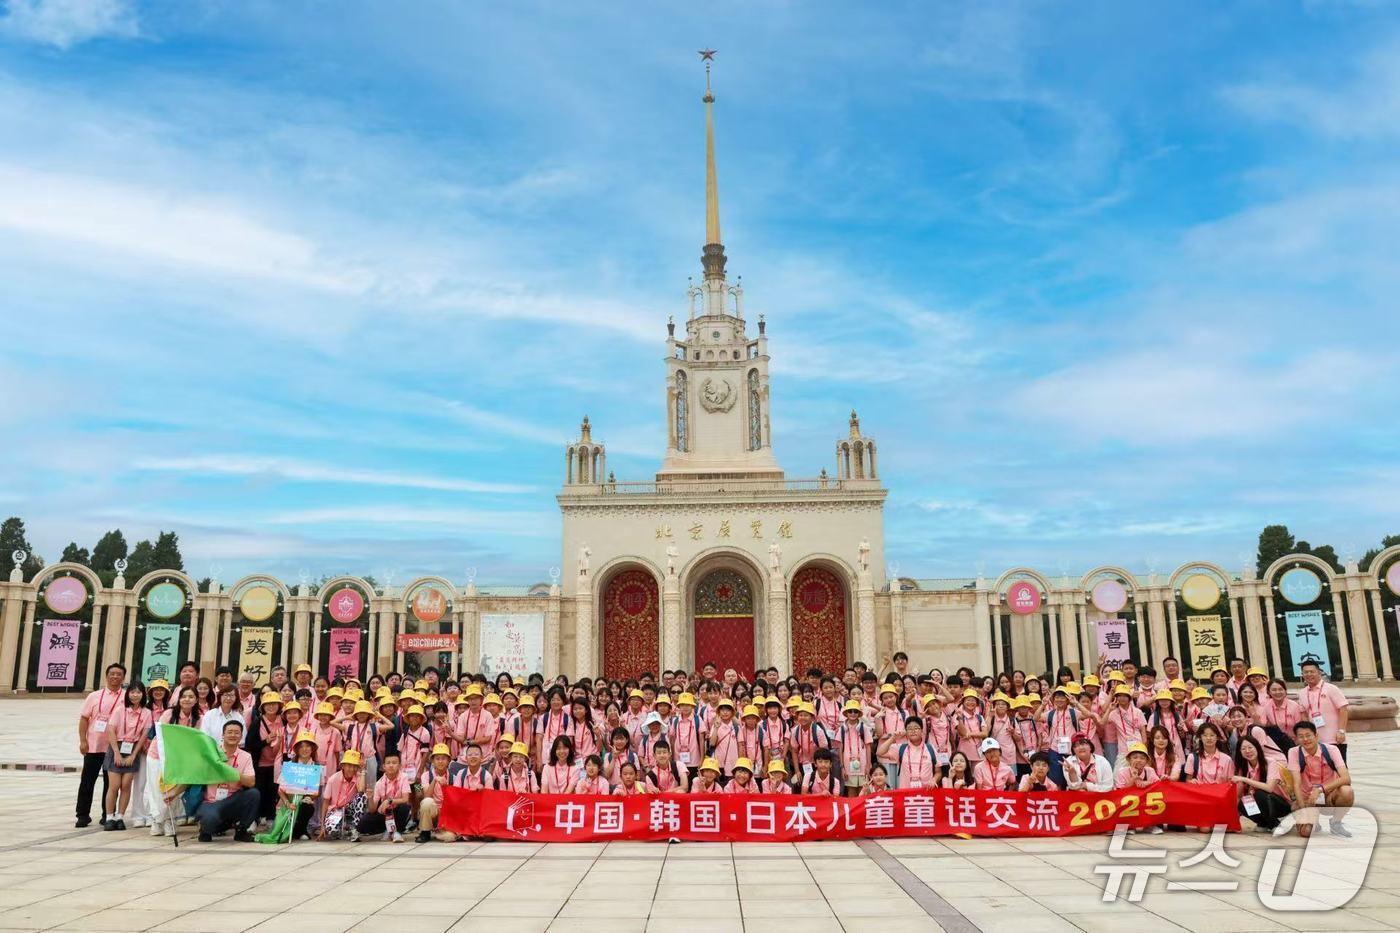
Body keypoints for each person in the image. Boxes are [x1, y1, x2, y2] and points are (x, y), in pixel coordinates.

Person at [76, 662, 125, 828]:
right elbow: (84, 719)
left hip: (114, 748)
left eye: (119, 674)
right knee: (87, 781)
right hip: (94, 745)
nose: (115, 677)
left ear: (123, 678)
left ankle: (107, 814)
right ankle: (82, 815)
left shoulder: (126, 697)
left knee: (111, 784)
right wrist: (83, 740)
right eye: (112, 673)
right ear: (106, 676)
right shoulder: (94, 696)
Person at [1285, 719, 1354, 838]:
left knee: (1347, 791)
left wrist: (1320, 789)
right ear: (1296, 739)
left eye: (1308, 735)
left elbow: (1346, 778)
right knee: (1305, 833)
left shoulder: (1331, 750)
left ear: (1316, 736)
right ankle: (1314, 822)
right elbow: (1297, 783)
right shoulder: (1293, 752)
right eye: (1301, 736)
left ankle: (1336, 822)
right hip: (1308, 799)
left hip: (1329, 796)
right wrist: (1303, 810)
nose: (1305, 739)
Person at [198, 719, 259, 842]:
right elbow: (194, 776)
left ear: (241, 736)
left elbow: (251, 782)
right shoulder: (212, 754)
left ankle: (241, 831)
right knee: (210, 820)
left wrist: (232, 773)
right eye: (229, 732)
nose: (233, 735)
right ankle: (206, 829)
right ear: (223, 734)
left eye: (237, 733)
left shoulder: (245, 756)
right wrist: (173, 793)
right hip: (211, 802)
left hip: (232, 800)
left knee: (253, 794)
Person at [102, 680, 151, 831]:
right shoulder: (119, 710)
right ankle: (109, 816)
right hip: (116, 746)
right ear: (128, 694)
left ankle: (120, 817)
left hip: (133, 750)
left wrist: (133, 755)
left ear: (143, 694)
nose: (135, 695)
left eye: (138, 692)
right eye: (132, 692)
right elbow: (110, 731)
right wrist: (116, 753)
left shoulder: (146, 713)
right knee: (114, 786)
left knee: (126, 786)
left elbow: (143, 736)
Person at [1232, 734, 1290, 832]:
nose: (1247, 751)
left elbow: (1269, 788)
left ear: (1257, 748)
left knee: (1260, 794)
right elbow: (1239, 794)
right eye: (1243, 749)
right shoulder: (1242, 767)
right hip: (1260, 803)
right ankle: (1263, 823)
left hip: (1280, 804)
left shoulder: (1270, 762)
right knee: (1242, 803)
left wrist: (1245, 779)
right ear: (1239, 752)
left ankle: (1275, 824)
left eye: (1250, 747)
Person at [1298, 660, 1349, 760]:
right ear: (1302, 674)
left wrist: (1341, 731)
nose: (1309, 674)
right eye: (1306, 672)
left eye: (1312, 671)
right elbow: (1303, 714)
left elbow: (1343, 709)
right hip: (1314, 742)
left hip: (1334, 739)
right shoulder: (1302, 693)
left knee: (1339, 771)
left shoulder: (1331, 688)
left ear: (1319, 672)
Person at [278, 731, 321, 840]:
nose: (305, 749)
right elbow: (280, 790)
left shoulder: (315, 767)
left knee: (308, 808)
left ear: (312, 749)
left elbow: (316, 792)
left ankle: (301, 830)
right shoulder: (290, 766)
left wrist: (309, 798)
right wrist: (288, 803)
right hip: (289, 802)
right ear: (297, 749)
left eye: (308, 746)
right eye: (301, 747)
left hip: (304, 802)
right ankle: (293, 829)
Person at [361, 751, 411, 842]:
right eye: (388, 763)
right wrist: (370, 798)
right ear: (383, 767)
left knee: (405, 807)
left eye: (394, 763)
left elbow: (405, 799)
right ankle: (387, 830)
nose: (391, 765)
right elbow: (372, 809)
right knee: (364, 822)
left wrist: (389, 801)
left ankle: (396, 832)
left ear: (399, 766)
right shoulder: (379, 783)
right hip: (385, 813)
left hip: (397, 810)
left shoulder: (404, 777)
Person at [321, 750, 367, 841]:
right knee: (331, 831)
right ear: (343, 766)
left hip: (350, 808)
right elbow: (326, 802)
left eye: (354, 766)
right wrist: (322, 825)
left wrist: (362, 771)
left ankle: (354, 828)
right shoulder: (333, 779)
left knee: (362, 796)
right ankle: (343, 828)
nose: (352, 769)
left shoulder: (358, 776)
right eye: (349, 766)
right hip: (336, 809)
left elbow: (361, 791)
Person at [417, 744, 453, 843]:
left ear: (448, 760)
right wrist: (434, 780)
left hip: (447, 812)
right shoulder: (426, 775)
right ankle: (425, 832)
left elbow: (455, 800)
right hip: (433, 811)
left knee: (450, 837)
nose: (440, 761)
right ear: (432, 761)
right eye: (437, 759)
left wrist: (446, 786)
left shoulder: (454, 776)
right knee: (427, 802)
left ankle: (440, 831)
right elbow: (426, 796)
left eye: (443, 758)